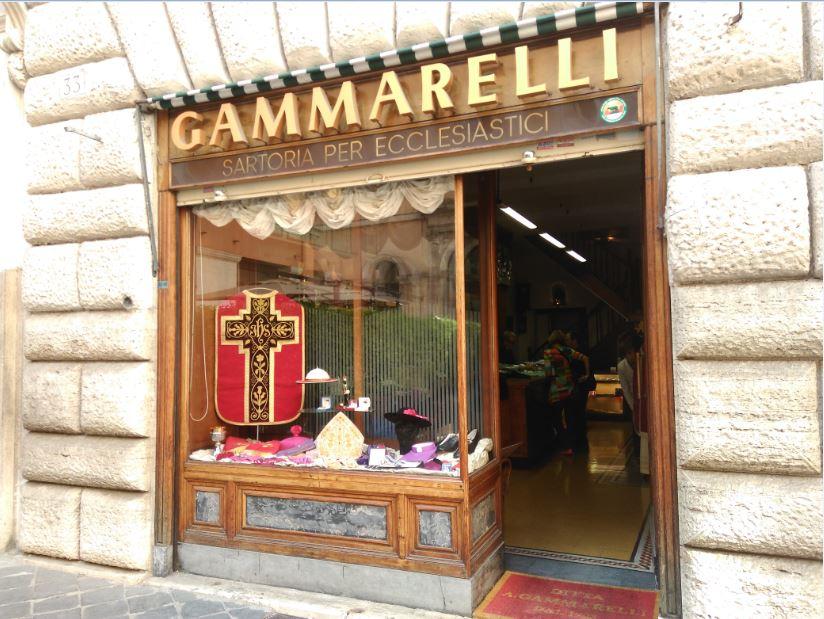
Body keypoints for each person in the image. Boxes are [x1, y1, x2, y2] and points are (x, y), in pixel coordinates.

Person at [544, 330, 590, 456]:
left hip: (557, 391)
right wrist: (587, 374)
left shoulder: (548, 353)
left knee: (556, 419)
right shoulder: (567, 350)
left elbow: (548, 373)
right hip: (569, 389)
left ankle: (564, 444)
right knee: (570, 419)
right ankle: (571, 446)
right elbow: (585, 358)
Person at [566, 332, 595, 453]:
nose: (567, 341)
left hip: (580, 385)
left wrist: (586, 375)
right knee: (580, 411)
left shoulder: (575, 353)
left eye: (568, 339)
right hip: (582, 385)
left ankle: (579, 440)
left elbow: (584, 362)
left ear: (574, 340)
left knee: (577, 412)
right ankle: (581, 440)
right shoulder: (580, 351)